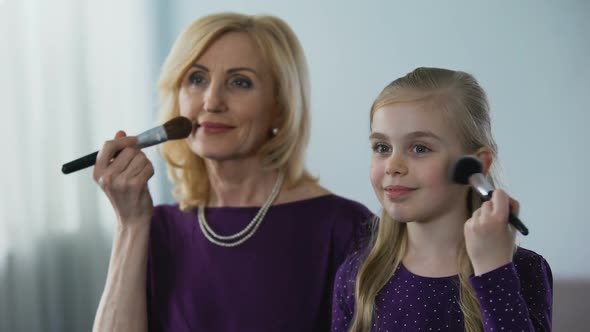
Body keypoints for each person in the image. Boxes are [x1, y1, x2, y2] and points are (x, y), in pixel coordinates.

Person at [91, 13, 373, 332]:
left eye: (240, 82)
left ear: (280, 106)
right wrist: (130, 225)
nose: (211, 101)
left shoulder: (346, 227)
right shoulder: (155, 228)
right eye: (196, 79)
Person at [331, 67, 552, 332]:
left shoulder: (522, 270)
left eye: (420, 148)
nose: (393, 166)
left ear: (476, 165)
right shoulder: (358, 275)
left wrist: (494, 272)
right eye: (382, 147)